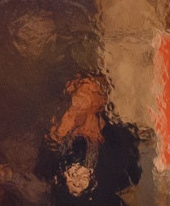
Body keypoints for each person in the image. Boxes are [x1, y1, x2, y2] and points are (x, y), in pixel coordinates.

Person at [35, 73, 142, 206]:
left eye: (93, 91)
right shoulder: (60, 129)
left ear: (102, 100)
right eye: (79, 93)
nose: (78, 102)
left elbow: (131, 174)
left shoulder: (115, 135)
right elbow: (42, 171)